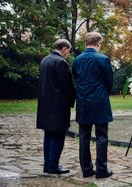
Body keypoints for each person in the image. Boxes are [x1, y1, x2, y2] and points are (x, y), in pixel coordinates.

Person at [72, 32, 113, 179]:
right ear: (99, 43)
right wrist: (102, 93)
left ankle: (86, 170)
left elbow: (76, 78)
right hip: (100, 102)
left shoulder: (76, 60)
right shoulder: (103, 59)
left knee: (84, 137)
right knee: (101, 136)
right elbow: (109, 82)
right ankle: (101, 170)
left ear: (86, 43)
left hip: (83, 103)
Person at [37, 39, 76, 174]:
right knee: (58, 136)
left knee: (48, 135)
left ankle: (47, 164)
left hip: (45, 105)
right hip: (58, 106)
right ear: (64, 49)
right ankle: (53, 165)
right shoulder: (60, 62)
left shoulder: (45, 60)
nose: (67, 55)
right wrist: (73, 99)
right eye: (68, 52)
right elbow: (67, 85)